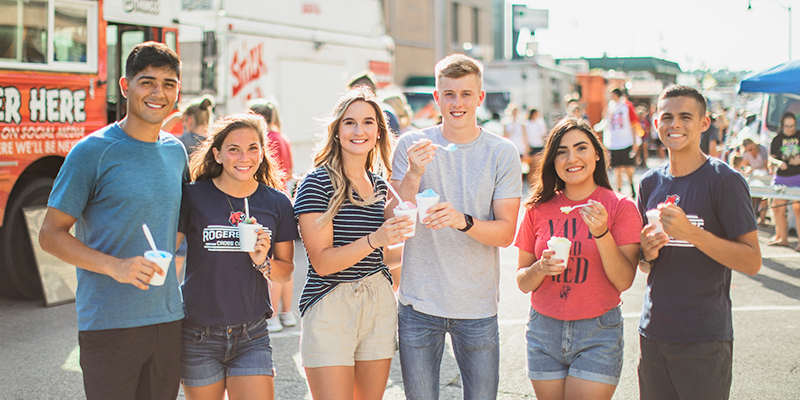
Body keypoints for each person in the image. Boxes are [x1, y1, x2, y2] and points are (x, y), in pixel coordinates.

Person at [39, 42, 185, 400]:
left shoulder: (176, 151)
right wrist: (115, 266)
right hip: (109, 322)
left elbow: (176, 223)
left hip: (168, 318)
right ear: (125, 86)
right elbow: (49, 234)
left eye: (168, 84)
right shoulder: (92, 151)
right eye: (147, 82)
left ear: (177, 91)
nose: (158, 93)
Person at [391, 54, 522, 399]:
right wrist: (414, 174)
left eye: (466, 94)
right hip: (419, 305)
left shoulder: (502, 152)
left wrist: (461, 220)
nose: (457, 102)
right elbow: (393, 216)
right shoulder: (410, 145)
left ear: (479, 98)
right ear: (437, 98)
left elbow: (506, 233)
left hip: (477, 307)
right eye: (448, 94)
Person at [637, 85, 761, 400]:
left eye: (685, 117)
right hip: (653, 334)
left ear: (704, 123)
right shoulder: (650, 183)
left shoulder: (724, 180)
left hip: (704, 338)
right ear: (655, 124)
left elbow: (751, 261)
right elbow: (642, 263)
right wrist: (646, 253)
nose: (674, 124)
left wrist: (692, 233)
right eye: (667, 117)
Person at [294, 87, 412, 399]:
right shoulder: (316, 182)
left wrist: (425, 248)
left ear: (378, 131)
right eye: (350, 122)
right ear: (336, 131)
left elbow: (378, 258)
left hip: (378, 300)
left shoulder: (379, 184)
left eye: (368, 122)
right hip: (330, 302)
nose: (359, 130)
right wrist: (376, 239)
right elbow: (324, 262)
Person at [515, 117, 641, 400]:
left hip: (598, 331)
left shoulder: (621, 207)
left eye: (581, 148)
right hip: (543, 329)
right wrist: (540, 267)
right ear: (553, 160)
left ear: (597, 154)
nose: (572, 158)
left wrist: (601, 233)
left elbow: (623, 280)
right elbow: (523, 282)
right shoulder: (537, 209)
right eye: (562, 151)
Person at [177, 113, 297, 400]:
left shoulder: (276, 202)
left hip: (251, 334)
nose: (245, 157)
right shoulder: (193, 196)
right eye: (234, 149)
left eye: (253, 148)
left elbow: (286, 271)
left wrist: (263, 261)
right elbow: (166, 248)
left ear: (262, 152)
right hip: (198, 333)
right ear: (217, 154)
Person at [249, 99, 296, 332]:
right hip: (285, 196)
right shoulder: (284, 137)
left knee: (271, 262)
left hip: (270, 198)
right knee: (285, 261)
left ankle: (274, 316)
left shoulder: (269, 139)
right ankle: (287, 313)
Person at [171, 95, 215, 273]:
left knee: (177, 256)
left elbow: (157, 135)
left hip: (183, 202)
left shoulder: (180, 142)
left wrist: (174, 118)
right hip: (208, 204)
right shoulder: (213, 143)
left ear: (188, 119)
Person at [768, 112, 800, 249]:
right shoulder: (777, 139)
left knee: (798, 209)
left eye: (792, 126)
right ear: (782, 126)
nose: (790, 129)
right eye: (787, 126)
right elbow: (771, 158)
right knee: (777, 209)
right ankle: (783, 238)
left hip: (797, 176)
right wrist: (778, 162)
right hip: (782, 177)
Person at [605, 88, 640, 198]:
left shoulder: (627, 106)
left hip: (626, 141)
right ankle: (618, 190)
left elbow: (634, 123)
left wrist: (635, 141)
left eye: (612, 94)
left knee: (628, 167)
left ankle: (632, 187)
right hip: (614, 142)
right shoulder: (610, 108)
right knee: (617, 168)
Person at [740, 138, 770, 224]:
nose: (749, 151)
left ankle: (762, 219)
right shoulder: (746, 154)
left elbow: (766, 166)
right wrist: (749, 170)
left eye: (750, 149)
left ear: (754, 145)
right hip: (753, 177)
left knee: (764, 196)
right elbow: (745, 166)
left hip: (763, 176)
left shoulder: (762, 149)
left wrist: (754, 169)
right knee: (751, 195)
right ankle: (752, 218)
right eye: (747, 150)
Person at [526, 108, 547, 182]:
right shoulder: (527, 124)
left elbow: (543, 134)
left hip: (539, 145)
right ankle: (531, 183)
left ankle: (537, 182)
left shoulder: (540, 123)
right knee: (531, 167)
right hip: (531, 146)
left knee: (537, 165)